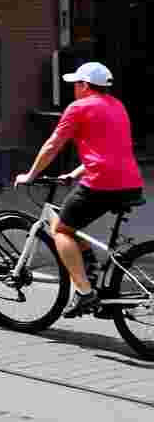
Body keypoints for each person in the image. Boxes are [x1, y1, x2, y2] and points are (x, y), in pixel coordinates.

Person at [14, 61, 147, 318]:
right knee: (74, 220)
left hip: (102, 183)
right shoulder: (118, 106)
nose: (74, 89)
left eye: (76, 84)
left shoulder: (79, 107)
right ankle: (93, 272)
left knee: (60, 229)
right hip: (130, 183)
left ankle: (86, 293)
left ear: (85, 85)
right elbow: (110, 151)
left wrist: (31, 174)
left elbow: (53, 144)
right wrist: (73, 174)